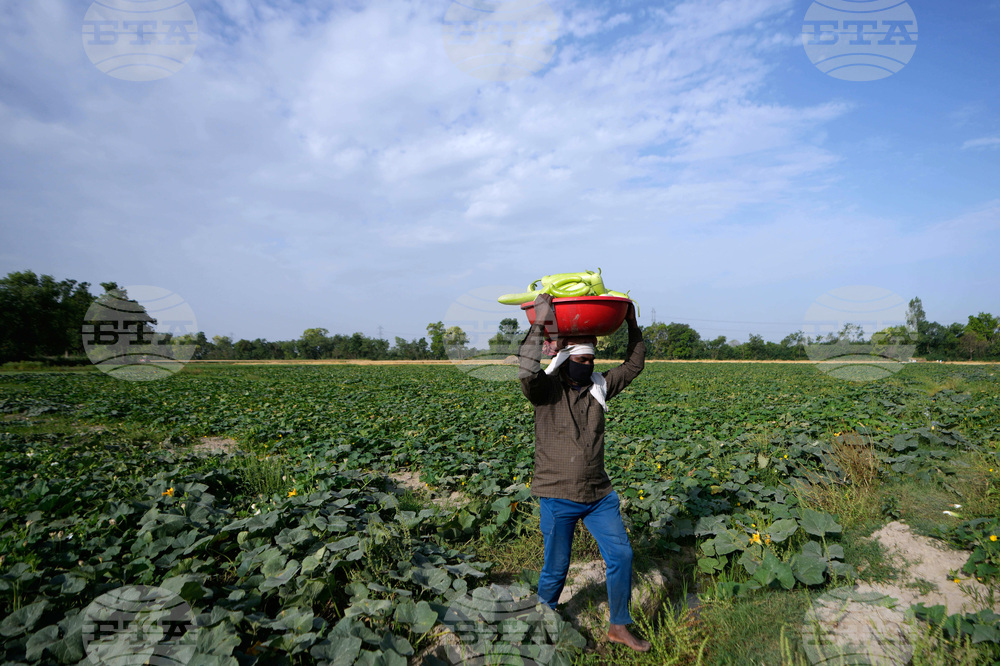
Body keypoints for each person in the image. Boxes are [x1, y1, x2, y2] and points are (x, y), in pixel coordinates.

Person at [517, 292, 650, 652]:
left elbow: (634, 365)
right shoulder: (545, 391)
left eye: (591, 359)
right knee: (556, 569)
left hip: (598, 495)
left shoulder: (600, 387)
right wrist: (540, 324)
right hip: (557, 494)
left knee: (621, 556)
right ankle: (543, 622)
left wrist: (632, 324)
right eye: (581, 360)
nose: (588, 365)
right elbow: (526, 370)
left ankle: (619, 625)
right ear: (564, 360)